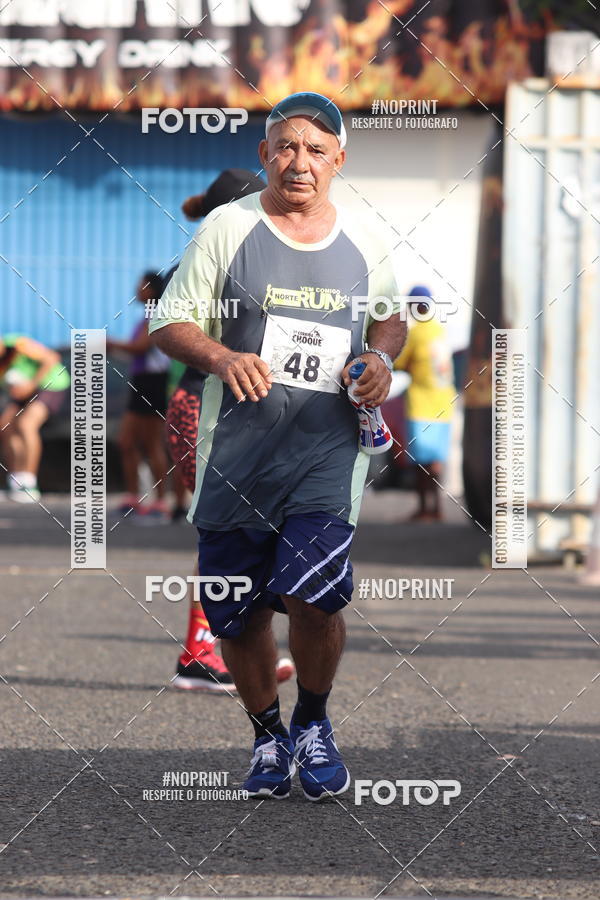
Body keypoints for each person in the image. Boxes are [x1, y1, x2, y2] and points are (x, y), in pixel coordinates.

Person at [150, 91, 405, 801]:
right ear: (265, 154)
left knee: (317, 596)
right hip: (235, 455)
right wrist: (221, 357)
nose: (301, 162)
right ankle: (267, 736)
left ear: (339, 161)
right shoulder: (227, 229)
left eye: (317, 150)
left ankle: (314, 722)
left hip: (327, 452)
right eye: (287, 147)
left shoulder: (364, 236)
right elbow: (169, 321)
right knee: (238, 611)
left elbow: (388, 319)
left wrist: (381, 362)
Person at [165, 170, 295, 692]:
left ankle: (224, 645)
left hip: (196, 405)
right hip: (210, 408)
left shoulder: (209, 258)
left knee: (238, 529)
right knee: (233, 529)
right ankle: (204, 650)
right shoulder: (226, 260)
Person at [107, 273, 171, 522]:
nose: (137, 288)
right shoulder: (146, 314)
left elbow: (142, 348)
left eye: (142, 284)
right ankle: (133, 497)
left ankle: (161, 502)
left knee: (152, 443)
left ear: (153, 289)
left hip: (153, 384)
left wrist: (109, 344)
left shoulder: (156, 313)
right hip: (142, 381)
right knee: (127, 441)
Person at [393, 285, 455, 521]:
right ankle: (436, 509)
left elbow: (399, 363)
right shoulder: (439, 331)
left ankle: (424, 509)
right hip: (444, 403)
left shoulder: (416, 333)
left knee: (420, 461)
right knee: (435, 461)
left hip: (421, 404)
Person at [0, 334, 70, 502]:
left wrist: (31, 384)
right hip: (23, 391)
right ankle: (16, 482)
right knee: (5, 426)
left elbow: (52, 358)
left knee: (26, 424)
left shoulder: (18, 344)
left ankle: (29, 483)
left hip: (49, 385)